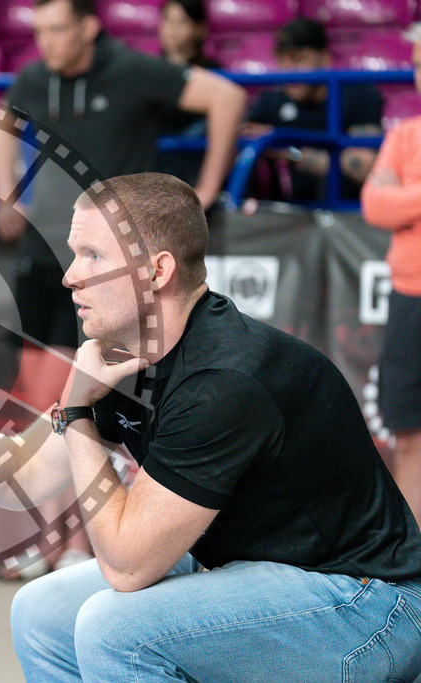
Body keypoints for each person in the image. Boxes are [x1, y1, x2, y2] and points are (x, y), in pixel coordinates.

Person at [0, 172, 421, 680]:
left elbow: (127, 565)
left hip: (370, 608)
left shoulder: (223, 379)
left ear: (157, 271)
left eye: (92, 256)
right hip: (262, 574)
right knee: (41, 611)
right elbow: (24, 474)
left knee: (114, 627)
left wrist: (76, 413)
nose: (69, 276)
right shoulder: (129, 356)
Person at [0, 0, 246, 575]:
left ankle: (82, 545)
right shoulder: (33, 78)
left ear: (89, 27)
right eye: (39, 31)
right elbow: (3, 122)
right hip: (42, 256)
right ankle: (49, 541)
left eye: (58, 29)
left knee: (89, 407)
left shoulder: (132, 69)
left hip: (110, 272)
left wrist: (206, 188)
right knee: (44, 404)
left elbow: (227, 97)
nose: (46, 42)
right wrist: (4, 190)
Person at [360, 31, 421, 532]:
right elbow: (375, 205)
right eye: (419, 63)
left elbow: (391, 200)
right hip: (409, 297)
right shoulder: (404, 136)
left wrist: (408, 196)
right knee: (408, 430)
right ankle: (414, 551)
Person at [244, 17, 383, 202]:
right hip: (289, 210)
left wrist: (289, 151)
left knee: (335, 180)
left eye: (299, 59)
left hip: (346, 211)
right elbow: (242, 135)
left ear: (325, 59)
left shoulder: (358, 94)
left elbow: (365, 168)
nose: (289, 71)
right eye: (282, 61)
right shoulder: (272, 99)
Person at [155, 0, 220, 188]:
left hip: (195, 163)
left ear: (200, 28)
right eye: (167, 20)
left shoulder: (214, 74)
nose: (172, 28)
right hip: (156, 160)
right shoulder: (148, 71)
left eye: (182, 21)